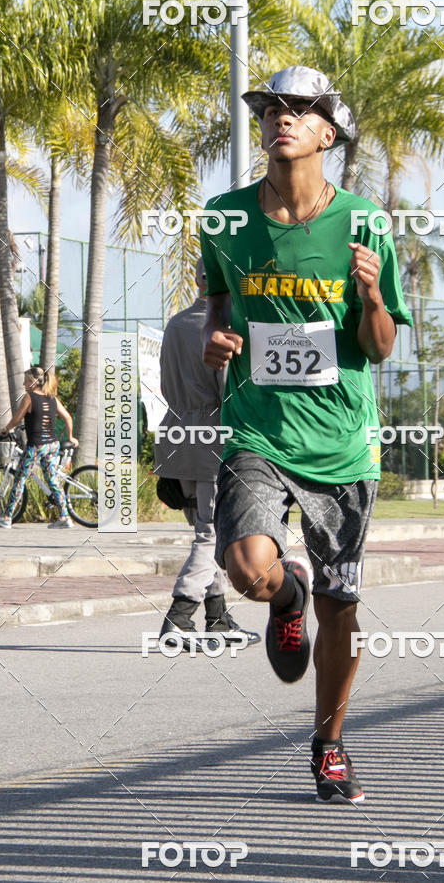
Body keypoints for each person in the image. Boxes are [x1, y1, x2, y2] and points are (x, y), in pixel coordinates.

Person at [201, 66, 413, 803]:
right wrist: (218, 342)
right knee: (250, 571)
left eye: (300, 109)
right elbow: (219, 312)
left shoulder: (365, 225)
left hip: (343, 444)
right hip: (258, 432)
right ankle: (282, 597)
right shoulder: (224, 217)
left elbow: (381, 347)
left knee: (343, 606)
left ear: (329, 132)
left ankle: (329, 742)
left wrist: (371, 297)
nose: (280, 118)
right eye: (270, 109)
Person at [155, 258, 260, 652]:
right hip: (215, 438)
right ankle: (179, 617)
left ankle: (217, 618)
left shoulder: (176, 323)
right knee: (210, 531)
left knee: (206, 531)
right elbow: (229, 392)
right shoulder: (226, 331)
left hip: (177, 436)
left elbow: (166, 383)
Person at [0, 366, 77, 529]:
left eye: (26, 380)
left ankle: (7, 517)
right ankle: (64, 517)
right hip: (52, 445)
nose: (23, 383)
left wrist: (5, 429)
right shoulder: (52, 398)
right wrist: (70, 437)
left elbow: (16, 419)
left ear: (34, 382)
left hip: (36, 446)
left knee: (20, 479)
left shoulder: (29, 397)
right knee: (53, 480)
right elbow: (68, 418)